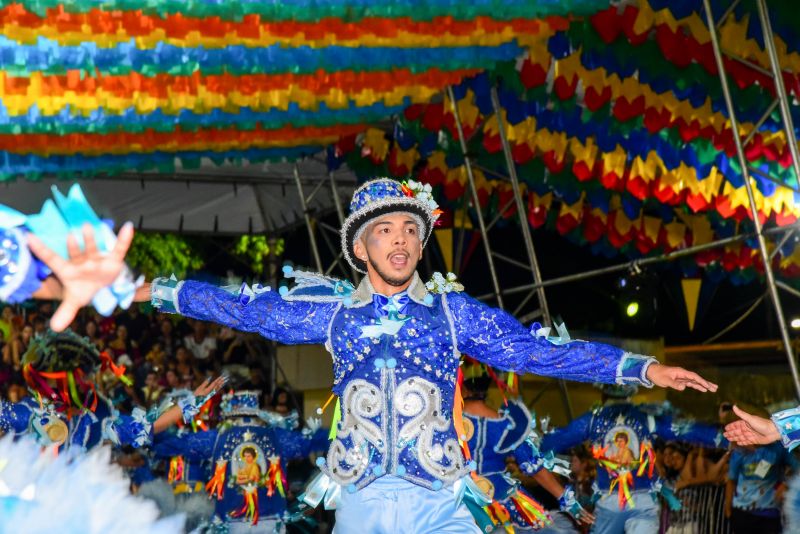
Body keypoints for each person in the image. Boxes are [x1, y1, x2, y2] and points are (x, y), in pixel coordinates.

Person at [138, 177, 717, 533]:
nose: (401, 239)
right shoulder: (333, 313)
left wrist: (638, 367)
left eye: (411, 230)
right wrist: (151, 291)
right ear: (361, 247)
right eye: (385, 229)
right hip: (361, 502)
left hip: (442, 500)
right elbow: (247, 308)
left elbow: (538, 351)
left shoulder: (451, 312)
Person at [540, 384, 725, 534]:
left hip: (610, 502)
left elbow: (555, 441)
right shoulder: (646, 417)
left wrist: (525, 446)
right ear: (632, 392)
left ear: (604, 393)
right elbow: (683, 429)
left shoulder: (592, 420)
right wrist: (724, 438)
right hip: (644, 500)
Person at [152, 390, 328, 533]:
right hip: (271, 520)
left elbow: (174, 445)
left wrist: (154, 426)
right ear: (256, 413)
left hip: (231, 521)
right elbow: (308, 443)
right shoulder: (277, 436)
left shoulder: (216, 437)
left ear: (232, 414)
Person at [460, 360, 594, 533]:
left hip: (459, 500)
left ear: (461, 385)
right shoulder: (508, 424)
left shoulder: (448, 421)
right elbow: (534, 467)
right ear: (488, 385)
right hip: (504, 501)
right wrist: (567, 501)